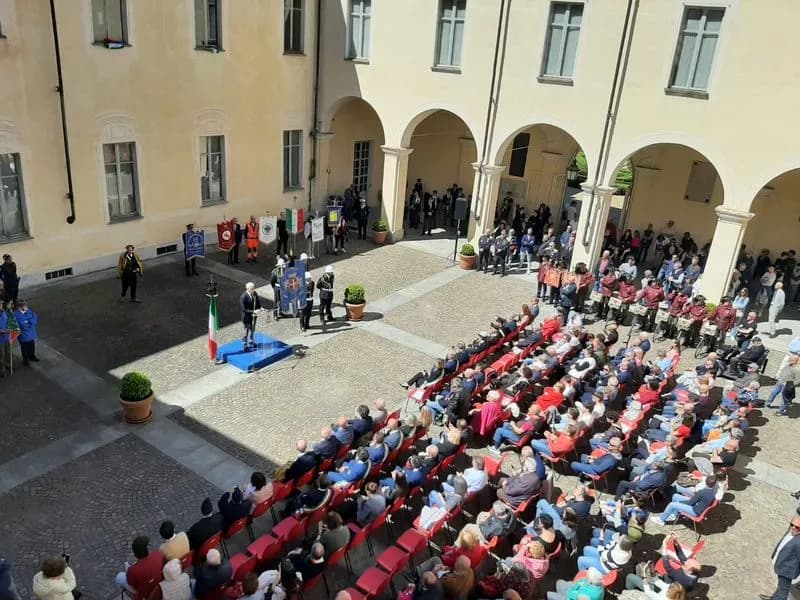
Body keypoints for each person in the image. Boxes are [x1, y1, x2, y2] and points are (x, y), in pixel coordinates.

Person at [760, 515, 800, 600]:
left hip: (788, 571)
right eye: (791, 524)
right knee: (781, 587)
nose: (793, 528)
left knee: (783, 592)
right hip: (784, 568)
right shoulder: (793, 534)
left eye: (797, 527)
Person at [13, 300, 38, 365]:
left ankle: (32, 356)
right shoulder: (16, 314)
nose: (27, 307)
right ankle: (25, 360)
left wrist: (29, 322)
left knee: (31, 346)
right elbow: (22, 324)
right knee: (24, 348)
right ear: (20, 307)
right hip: (24, 335)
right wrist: (29, 321)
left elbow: (34, 317)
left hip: (31, 333)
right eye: (25, 306)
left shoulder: (29, 311)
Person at [240, 282, 264, 348]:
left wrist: (260, 307)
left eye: (254, 288)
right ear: (247, 289)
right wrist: (254, 311)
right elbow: (244, 309)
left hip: (254, 316)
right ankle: (245, 342)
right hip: (247, 317)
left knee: (252, 329)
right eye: (252, 289)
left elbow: (257, 302)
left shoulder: (255, 293)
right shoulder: (243, 297)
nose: (253, 290)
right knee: (246, 330)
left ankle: (251, 340)